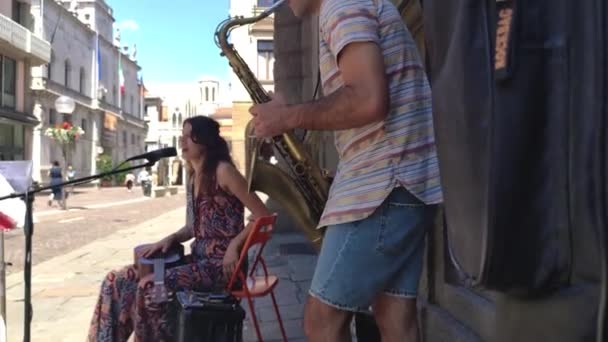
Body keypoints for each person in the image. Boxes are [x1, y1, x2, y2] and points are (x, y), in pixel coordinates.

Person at [248, 0, 443, 341]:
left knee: (321, 321)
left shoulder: (342, 5)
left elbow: (368, 100)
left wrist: (289, 116)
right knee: (395, 319)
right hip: (405, 184)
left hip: (384, 185)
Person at [87, 116, 270, 342]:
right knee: (117, 280)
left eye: (188, 136)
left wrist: (235, 245)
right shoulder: (194, 178)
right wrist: (171, 238)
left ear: (204, 140)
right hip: (198, 261)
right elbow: (193, 227)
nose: (182, 141)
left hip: (222, 268)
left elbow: (263, 215)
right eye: (181, 136)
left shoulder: (223, 171)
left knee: (151, 286)